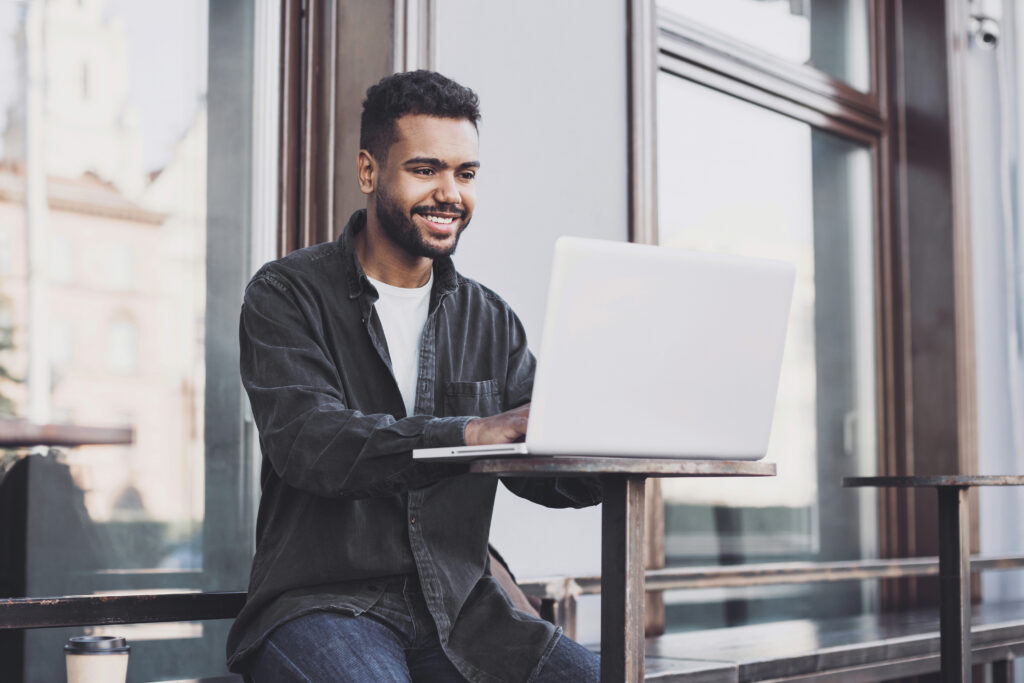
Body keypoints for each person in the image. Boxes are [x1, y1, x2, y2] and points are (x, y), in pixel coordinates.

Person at [227, 70, 602, 682]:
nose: (450, 193)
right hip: (324, 606)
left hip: (462, 613)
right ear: (370, 172)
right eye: (426, 170)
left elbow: (540, 467)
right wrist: (469, 432)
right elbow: (311, 444)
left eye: (466, 173)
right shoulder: (288, 294)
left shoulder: (490, 318)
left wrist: (609, 442)